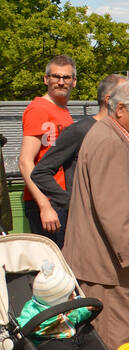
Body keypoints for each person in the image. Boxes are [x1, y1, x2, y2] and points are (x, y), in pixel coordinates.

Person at [63, 82, 129, 350]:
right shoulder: (108, 141)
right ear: (119, 109)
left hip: (108, 267)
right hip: (106, 271)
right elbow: (113, 210)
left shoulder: (111, 137)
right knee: (114, 348)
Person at [29, 75, 127, 238]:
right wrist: (71, 202)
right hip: (85, 230)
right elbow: (40, 172)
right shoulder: (80, 131)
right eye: (127, 95)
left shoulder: (122, 133)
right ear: (109, 99)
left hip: (114, 223)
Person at [19, 55, 79, 246]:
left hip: (61, 200)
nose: (61, 82)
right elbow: (25, 161)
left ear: (74, 82)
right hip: (47, 203)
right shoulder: (39, 109)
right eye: (56, 76)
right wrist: (44, 205)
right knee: (51, 270)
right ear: (46, 79)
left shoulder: (62, 112)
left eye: (66, 78)